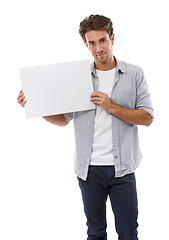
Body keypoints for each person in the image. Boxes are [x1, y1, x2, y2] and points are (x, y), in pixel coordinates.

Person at [17, 14, 154, 240]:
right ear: (86, 44)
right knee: (95, 232)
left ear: (112, 38)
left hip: (123, 170)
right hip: (89, 170)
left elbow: (147, 117)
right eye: (92, 43)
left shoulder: (134, 74)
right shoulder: (78, 77)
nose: (98, 48)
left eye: (102, 40)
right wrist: (36, 105)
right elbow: (62, 119)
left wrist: (111, 107)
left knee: (129, 233)